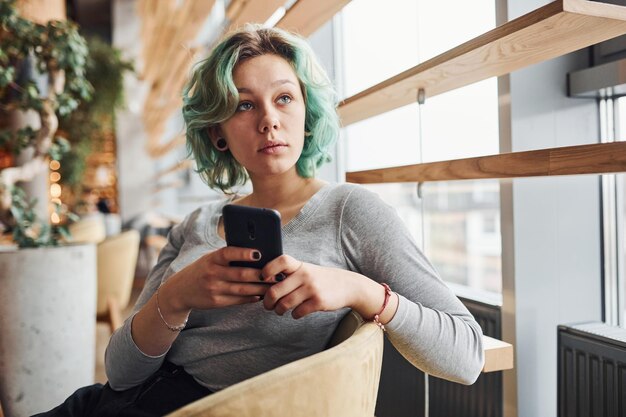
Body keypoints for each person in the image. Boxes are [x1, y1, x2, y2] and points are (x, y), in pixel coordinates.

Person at [37, 25, 483, 416]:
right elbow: (120, 374)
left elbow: (467, 356)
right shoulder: (195, 223)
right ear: (218, 133)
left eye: (284, 98)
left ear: (307, 115)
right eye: (244, 106)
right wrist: (177, 296)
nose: (269, 120)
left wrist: (359, 290)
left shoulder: (350, 211)